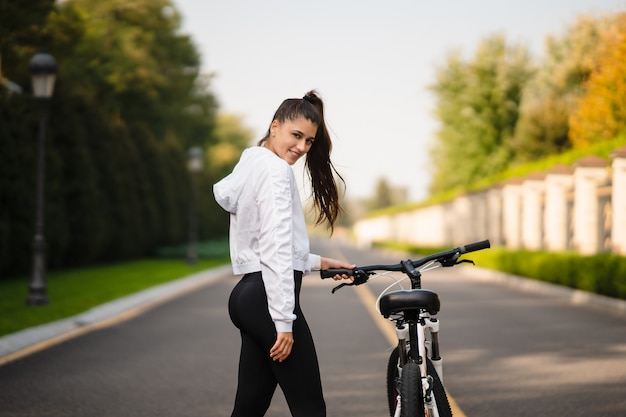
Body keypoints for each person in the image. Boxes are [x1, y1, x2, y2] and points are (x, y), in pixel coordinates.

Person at [213, 90, 354, 417]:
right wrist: (283, 323)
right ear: (274, 126)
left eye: (309, 141)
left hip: (248, 295)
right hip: (267, 303)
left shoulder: (252, 161)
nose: (302, 147)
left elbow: (270, 246)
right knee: (310, 408)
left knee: (248, 408)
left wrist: (320, 262)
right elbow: (275, 248)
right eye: (296, 135)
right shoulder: (276, 171)